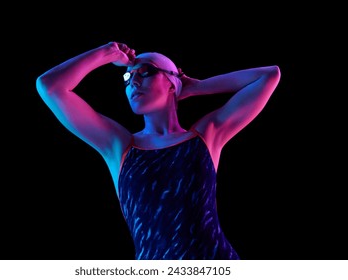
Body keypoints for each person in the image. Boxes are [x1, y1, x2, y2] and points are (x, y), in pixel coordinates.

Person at [36, 41, 281, 260]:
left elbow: (269, 76)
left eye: (145, 72)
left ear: (173, 84)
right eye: (128, 78)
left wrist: (197, 87)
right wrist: (106, 52)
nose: (133, 81)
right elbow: (49, 86)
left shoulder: (206, 136)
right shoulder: (119, 145)